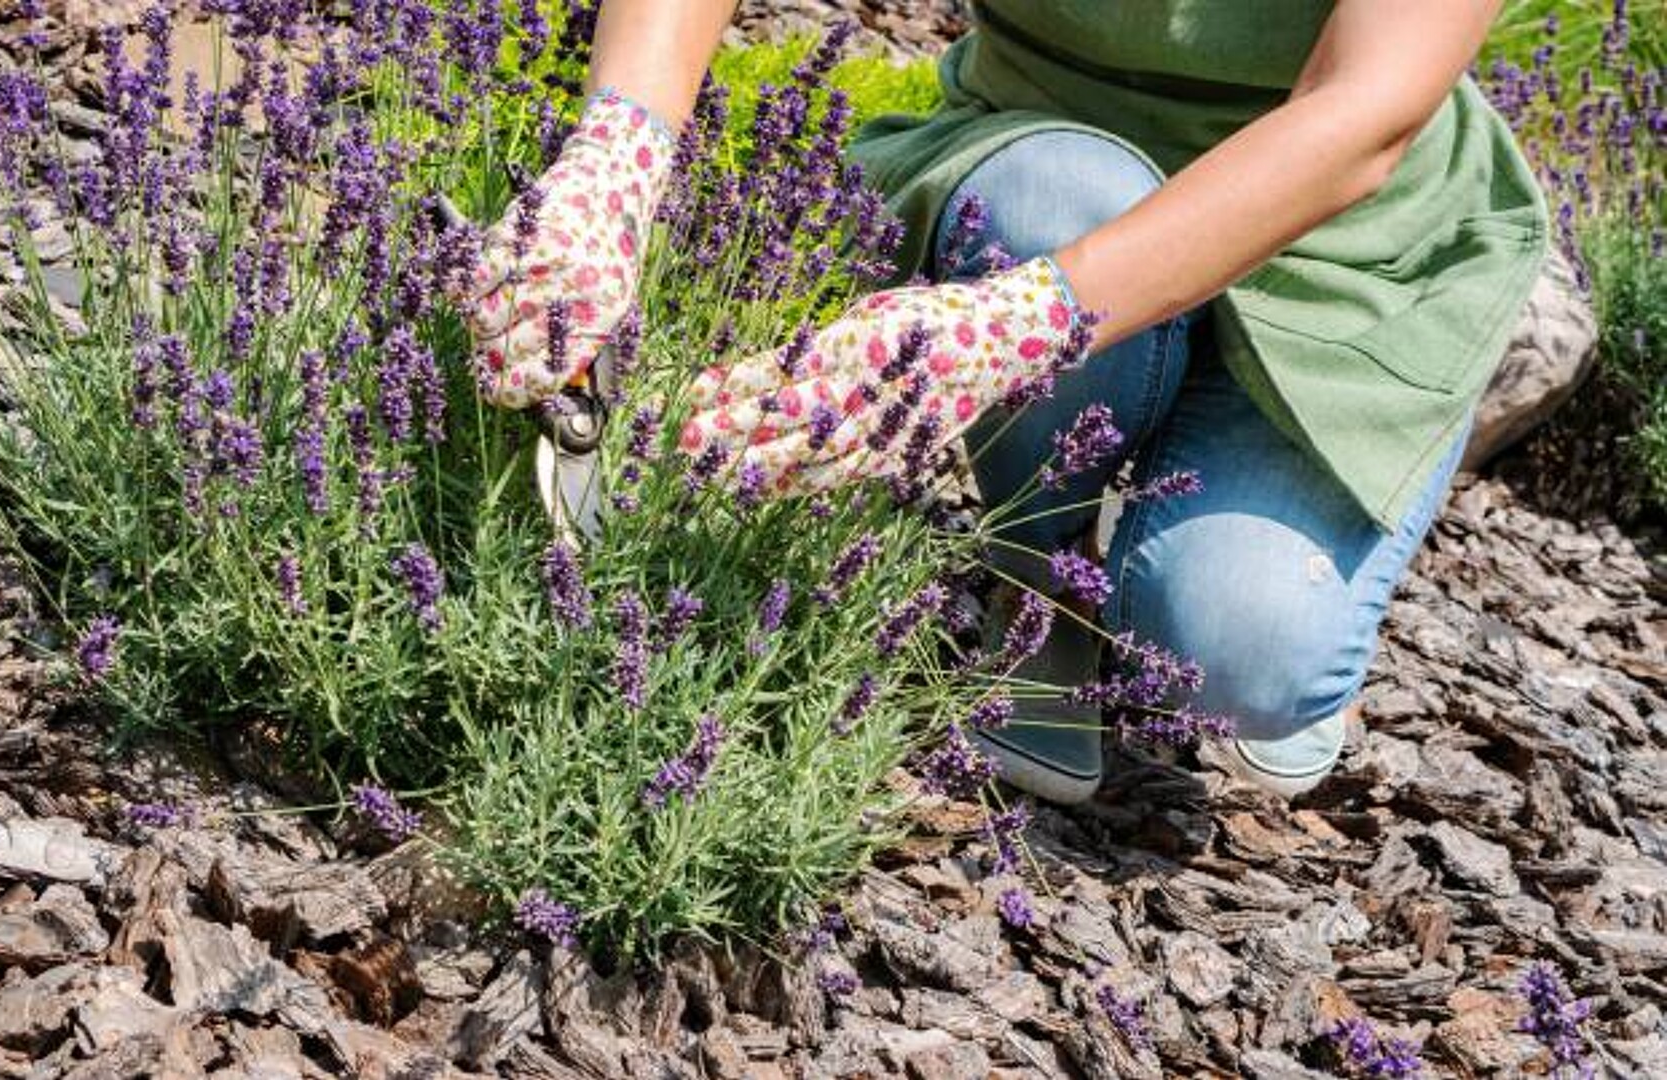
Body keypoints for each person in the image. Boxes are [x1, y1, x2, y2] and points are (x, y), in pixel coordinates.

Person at [462, 2, 1547, 804]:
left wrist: (1002, 330)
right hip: (1053, 160)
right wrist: (617, 161)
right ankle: (1036, 550)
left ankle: (1288, 470)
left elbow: (1365, 110)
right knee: (1056, 205)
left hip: (1345, 242)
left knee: (1240, 656)